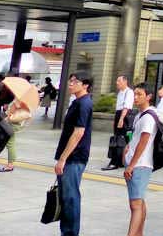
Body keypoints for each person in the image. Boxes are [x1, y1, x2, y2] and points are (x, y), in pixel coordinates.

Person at [53, 73, 93, 236]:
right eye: (70, 81)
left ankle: (70, 233)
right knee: (66, 196)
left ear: (85, 85)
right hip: (70, 156)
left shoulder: (84, 103)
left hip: (75, 157)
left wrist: (63, 158)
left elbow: (78, 133)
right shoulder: (77, 102)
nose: (71, 84)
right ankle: (67, 231)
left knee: (70, 197)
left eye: (75, 81)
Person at [124, 83, 157, 236]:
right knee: (139, 201)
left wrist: (131, 165)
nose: (136, 97)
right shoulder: (140, 115)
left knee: (135, 204)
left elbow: (144, 142)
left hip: (140, 165)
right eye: (135, 94)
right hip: (137, 164)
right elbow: (136, 139)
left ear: (149, 96)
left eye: (140, 94)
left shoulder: (148, 117)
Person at [103, 75, 135, 170]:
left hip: (125, 116)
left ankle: (116, 161)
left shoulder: (129, 92)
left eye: (119, 81)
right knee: (118, 137)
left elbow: (126, 107)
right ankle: (120, 160)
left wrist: (121, 119)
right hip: (119, 114)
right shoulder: (120, 92)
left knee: (123, 138)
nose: (117, 83)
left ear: (125, 82)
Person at [0, 97, 31, 173]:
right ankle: (11, 164)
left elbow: (9, 113)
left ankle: (10, 165)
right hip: (16, 125)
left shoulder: (17, 101)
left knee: (10, 144)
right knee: (10, 143)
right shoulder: (25, 101)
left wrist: (8, 108)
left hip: (12, 124)